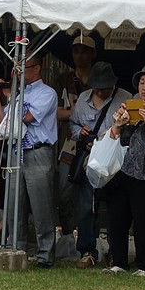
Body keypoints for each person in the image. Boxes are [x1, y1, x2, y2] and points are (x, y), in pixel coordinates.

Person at [100, 61, 145, 276]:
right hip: (122, 171)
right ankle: (119, 262)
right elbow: (110, 137)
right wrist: (118, 123)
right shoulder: (128, 108)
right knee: (117, 218)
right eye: (142, 82)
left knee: (144, 222)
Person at [0, 54, 58, 268]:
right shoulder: (18, 94)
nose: (18, 73)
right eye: (16, 69)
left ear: (37, 69)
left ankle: (45, 255)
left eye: (22, 68)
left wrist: (11, 96)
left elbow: (25, 118)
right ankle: (15, 249)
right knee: (13, 203)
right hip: (16, 150)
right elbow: (4, 125)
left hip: (37, 151)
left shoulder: (47, 93)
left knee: (41, 206)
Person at [68, 61, 128, 268]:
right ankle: (87, 251)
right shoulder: (83, 99)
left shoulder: (125, 98)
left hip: (114, 161)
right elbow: (73, 124)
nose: (101, 91)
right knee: (87, 207)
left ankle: (115, 252)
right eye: (98, 87)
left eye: (105, 87)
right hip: (89, 160)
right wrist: (80, 132)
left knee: (114, 209)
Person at [53, 31, 97, 255]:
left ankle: (89, 240)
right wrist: (77, 114)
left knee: (92, 193)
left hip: (94, 142)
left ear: (92, 54)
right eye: (76, 51)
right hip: (68, 143)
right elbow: (54, 111)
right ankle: (68, 235)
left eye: (84, 51)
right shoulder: (63, 79)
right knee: (65, 190)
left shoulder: (100, 79)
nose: (79, 55)